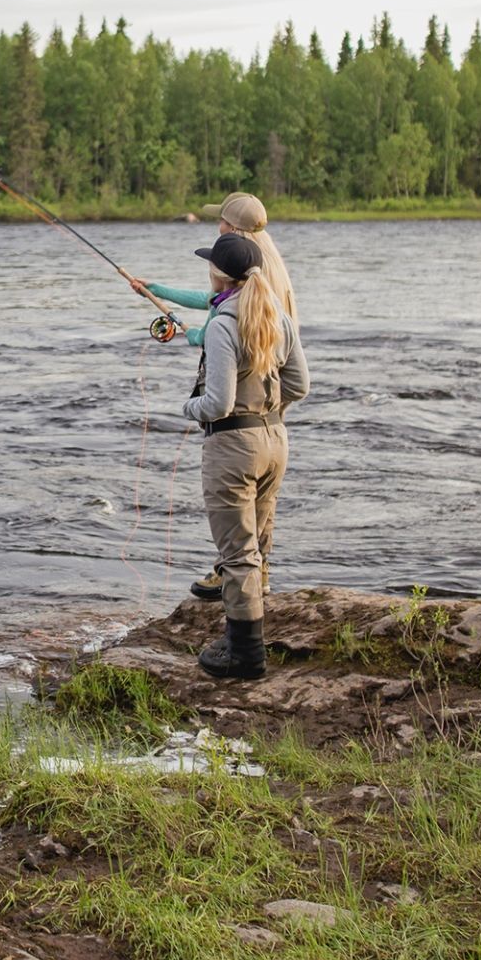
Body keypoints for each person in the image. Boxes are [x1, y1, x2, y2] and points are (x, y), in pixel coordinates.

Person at [125, 189, 297, 600]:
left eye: (220, 222)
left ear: (233, 230)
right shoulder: (258, 271)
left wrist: (195, 337)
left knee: (239, 507)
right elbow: (216, 305)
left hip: (243, 411)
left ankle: (239, 596)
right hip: (270, 418)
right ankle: (259, 572)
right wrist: (158, 290)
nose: (215, 226)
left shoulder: (256, 286)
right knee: (259, 502)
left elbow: (225, 333)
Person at [177, 233, 308, 679]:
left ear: (219, 274)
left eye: (210, 265)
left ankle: (246, 654)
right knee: (258, 541)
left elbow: (217, 403)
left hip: (233, 447)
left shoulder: (220, 324)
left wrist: (187, 408)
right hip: (275, 441)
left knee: (237, 554)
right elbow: (300, 386)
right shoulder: (278, 315)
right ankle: (250, 635)